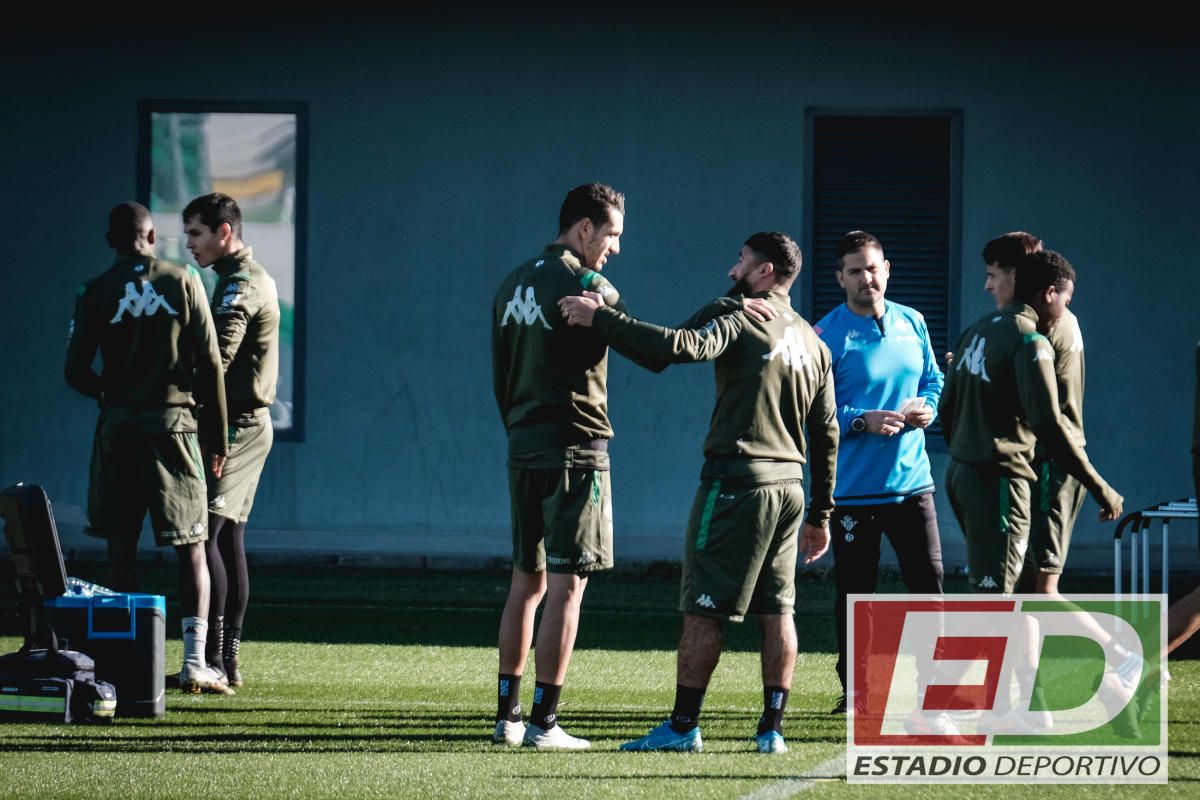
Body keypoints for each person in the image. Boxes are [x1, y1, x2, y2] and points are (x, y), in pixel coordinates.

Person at [560, 231, 837, 754]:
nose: (732, 271)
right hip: (790, 490)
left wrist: (601, 318)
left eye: (742, 261)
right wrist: (820, 514)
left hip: (737, 485)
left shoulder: (740, 313)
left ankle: (683, 726)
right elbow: (826, 434)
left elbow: (675, 348)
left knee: (703, 608)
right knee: (778, 610)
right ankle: (772, 730)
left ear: (765, 272)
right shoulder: (812, 340)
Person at [65, 201, 231, 694]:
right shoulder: (184, 279)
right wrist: (216, 436)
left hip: (118, 430)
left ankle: (124, 665)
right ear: (153, 236)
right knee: (192, 546)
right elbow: (210, 363)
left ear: (110, 240)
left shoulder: (94, 291)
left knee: (120, 546)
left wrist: (112, 394)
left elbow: (75, 370)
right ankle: (195, 662)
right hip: (173, 428)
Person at [489, 182, 630, 751]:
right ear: (584, 228)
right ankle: (545, 723)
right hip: (576, 450)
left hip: (523, 445)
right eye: (612, 234)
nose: (615, 247)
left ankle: (507, 717)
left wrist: (521, 429)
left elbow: (500, 373)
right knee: (569, 586)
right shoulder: (591, 287)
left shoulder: (511, 281)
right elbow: (637, 338)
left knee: (526, 581)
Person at [939, 249, 1123, 594]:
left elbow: (947, 408)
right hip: (1001, 480)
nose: (1065, 311)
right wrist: (1101, 488)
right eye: (1066, 301)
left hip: (961, 474)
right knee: (999, 600)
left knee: (1014, 591)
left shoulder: (974, 331)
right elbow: (1049, 425)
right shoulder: (1030, 341)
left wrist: (970, 450)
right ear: (1049, 293)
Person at [813, 231, 944, 716]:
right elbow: (814, 410)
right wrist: (860, 421)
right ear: (840, 278)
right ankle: (856, 692)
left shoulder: (914, 320)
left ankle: (935, 688)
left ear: (886, 269)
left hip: (913, 485)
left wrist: (928, 406)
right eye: (855, 271)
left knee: (929, 587)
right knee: (855, 596)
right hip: (854, 492)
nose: (866, 278)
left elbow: (933, 379)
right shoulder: (825, 335)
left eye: (872, 268)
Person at [183, 193, 280, 689]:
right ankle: (228, 662)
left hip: (236, 425)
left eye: (196, 233)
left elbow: (217, 358)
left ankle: (216, 659)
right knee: (228, 537)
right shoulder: (237, 277)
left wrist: (171, 390)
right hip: (244, 421)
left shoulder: (240, 282)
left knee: (208, 537)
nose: (189, 243)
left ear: (224, 232)